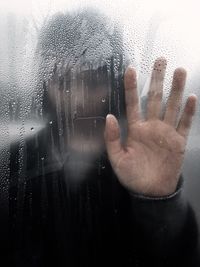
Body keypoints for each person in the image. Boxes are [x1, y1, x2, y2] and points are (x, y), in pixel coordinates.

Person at [9, 8, 199, 267]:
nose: (78, 97)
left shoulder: (145, 155)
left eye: (94, 79)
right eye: (63, 80)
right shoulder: (13, 162)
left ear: (115, 82)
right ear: (45, 84)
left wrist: (160, 204)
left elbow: (177, 257)